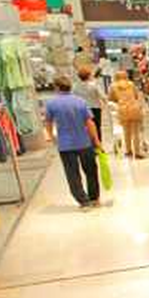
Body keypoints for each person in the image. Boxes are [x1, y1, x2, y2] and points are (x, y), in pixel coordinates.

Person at [45, 75, 103, 208]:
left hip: (65, 144)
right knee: (90, 170)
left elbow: (48, 122)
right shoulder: (80, 101)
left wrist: (51, 137)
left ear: (57, 87)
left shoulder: (51, 103)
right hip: (84, 142)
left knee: (72, 173)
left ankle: (83, 201)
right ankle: (94, 198)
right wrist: (97, 141)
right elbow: (90, 123)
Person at [109, 70, 145, 158]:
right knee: (135, 132)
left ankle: (128, 151)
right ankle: (137, 152)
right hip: (134, 108)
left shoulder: (113, 86)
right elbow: (136, 96)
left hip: (122, 109)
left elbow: (111, 98)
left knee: (126, 131)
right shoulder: (131, 84)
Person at [72, 66, 107, 148]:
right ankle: (98, 145)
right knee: (97, 127)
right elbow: (103, 97)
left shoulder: (75, 87)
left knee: (84, 128)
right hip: (95, 109)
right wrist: (105, 104)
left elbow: (73, 98)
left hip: (81, 110)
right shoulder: (94, 85)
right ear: (89, 75)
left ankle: (88, 145)